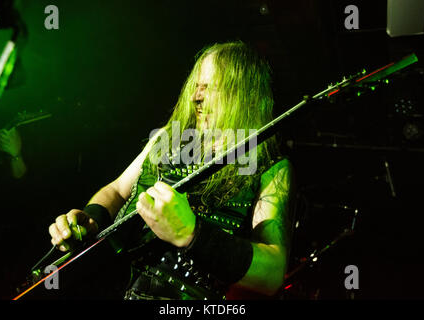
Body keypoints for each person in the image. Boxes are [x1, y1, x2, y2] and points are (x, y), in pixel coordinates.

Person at [48, 41, 295, 300]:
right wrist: (90, 218)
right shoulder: (169, 137)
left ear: (243, 94)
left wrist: (192, 234)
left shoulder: (271, 167)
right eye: (196, 86)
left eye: (209, 88)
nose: (195, 97)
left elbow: (273, 274)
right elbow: (118, 190)